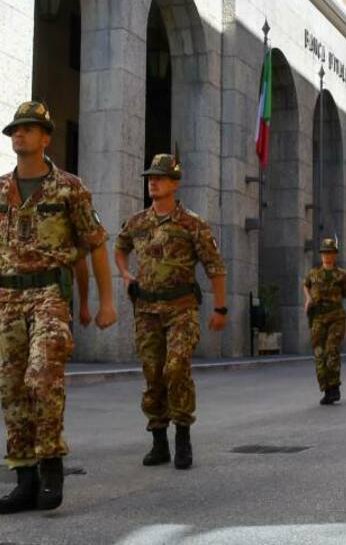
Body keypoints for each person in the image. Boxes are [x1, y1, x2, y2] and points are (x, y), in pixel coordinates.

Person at [0, 101, 117, 515]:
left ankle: (51, 464)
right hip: (6, 299)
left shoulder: (69, 187)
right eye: (15, 130)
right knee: (11, 387)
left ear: (46, 138)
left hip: (49, 298)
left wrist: (103, 302)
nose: (18, 135)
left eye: (28, 129)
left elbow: (94, 245)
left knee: (41, 378)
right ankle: (24, 477)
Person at [115, 152, 227, 470]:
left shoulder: (192, 224)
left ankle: (183, 437)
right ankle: (159, 440)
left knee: (176, 367)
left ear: (175, 183)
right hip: (147, 310)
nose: (153, 182)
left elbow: (215, 267)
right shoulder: (137, 223)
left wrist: (220, 307)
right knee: (153, 374)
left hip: (181, 309)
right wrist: (125, 275)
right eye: (150, 178)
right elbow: (119, 248)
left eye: (160, 177)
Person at [303, 238, 346, 405]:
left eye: (330, 253)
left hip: (336, 317)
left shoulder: (342, 275)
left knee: (331, 350)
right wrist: (308, 299)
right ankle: (326, 389)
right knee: (319, 354)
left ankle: (334, 388)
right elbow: (305, 285)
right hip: (318, 318)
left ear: (335, 255)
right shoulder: (313, 274)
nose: (327, 256)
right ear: (321, 255)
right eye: (324, 253)